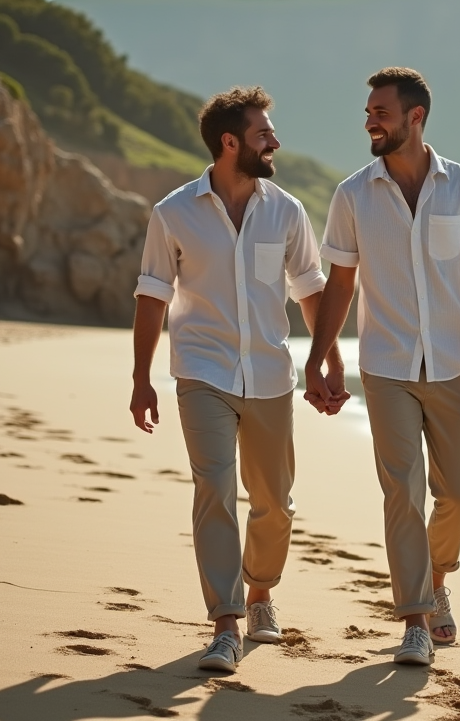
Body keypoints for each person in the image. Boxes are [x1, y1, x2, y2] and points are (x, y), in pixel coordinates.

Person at [128, 86, 347, 673]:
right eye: (263, 133)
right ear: (230, 142)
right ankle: (224, 624)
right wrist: (141, 378)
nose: (275, 141)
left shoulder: (287, 211)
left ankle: (260, 594)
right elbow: (152, 296)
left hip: (271, 374)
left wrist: (327, 359)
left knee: (275, 502)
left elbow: (310, 289)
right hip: (202, 371)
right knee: (215, 491)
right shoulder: (173, 212)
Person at [304, 67, 460, 666]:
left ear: (415, 118)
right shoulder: (353, 195)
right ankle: (415, 618)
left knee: (459, 495)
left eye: (381, 112)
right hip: (386, 365)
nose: (370, 121)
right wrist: (318, 357)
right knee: (402, 492)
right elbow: (340, 284)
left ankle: (437, 580)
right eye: (368, 112)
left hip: (453, 363)